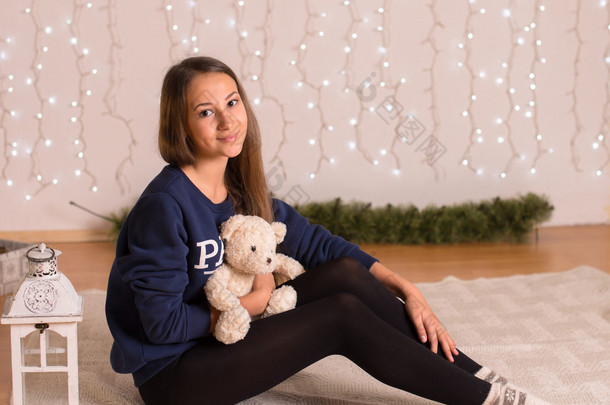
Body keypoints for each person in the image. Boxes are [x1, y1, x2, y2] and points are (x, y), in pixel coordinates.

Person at [105, 56, 547, 405]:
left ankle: (476, 376)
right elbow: (161, 326)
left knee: (344, 274)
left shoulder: (240, 189)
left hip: (228, 335)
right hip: (175, 376)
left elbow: (316, 244)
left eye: (232, 102)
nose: (227, 121)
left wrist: (406, 287)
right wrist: (254, 303)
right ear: (180, 125)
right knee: (340, 315)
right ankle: (483, 400)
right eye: (206, 111)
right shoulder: (164, 207)